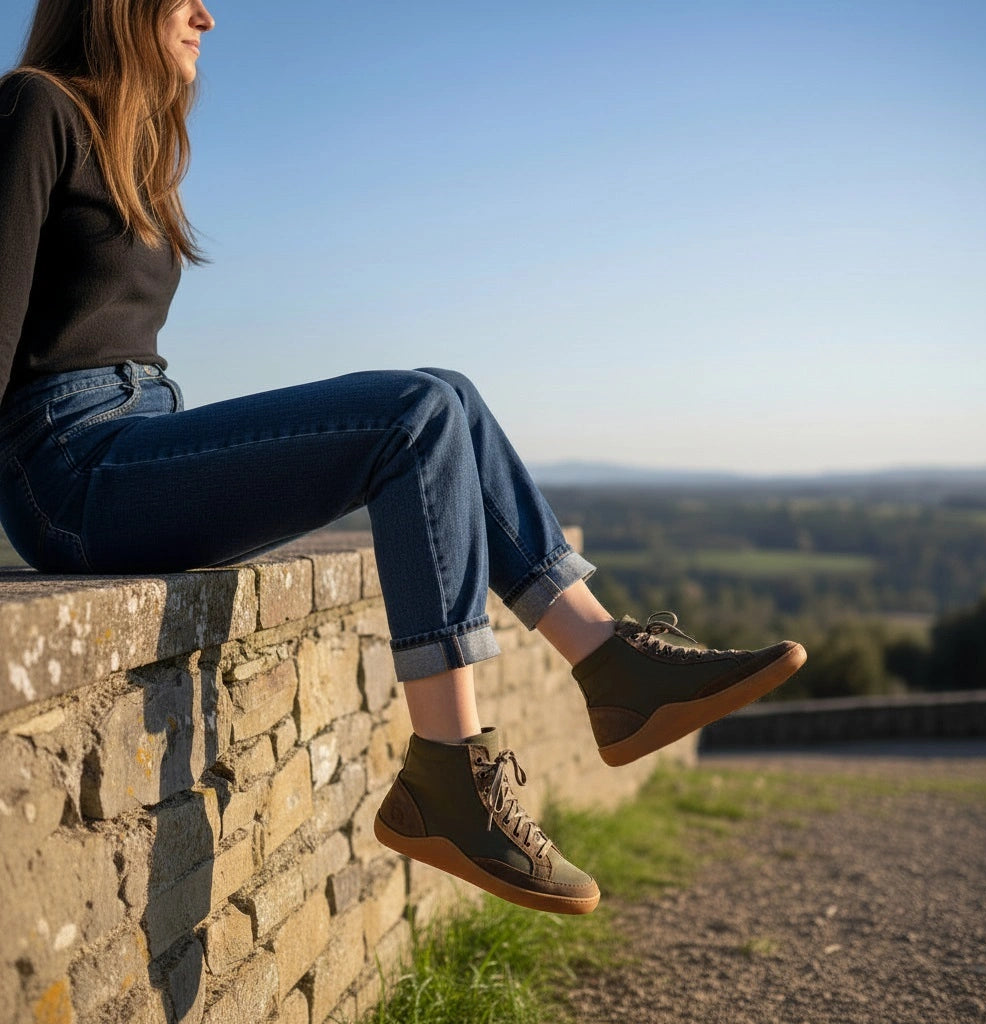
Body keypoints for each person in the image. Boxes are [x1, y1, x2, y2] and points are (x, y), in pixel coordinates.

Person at [0, 0, 806, 917]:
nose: (208, 16)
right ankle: (447, 775)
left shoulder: (130, 145)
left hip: (133, 430)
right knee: (413, 414)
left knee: (447, 391)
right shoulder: (34, 107)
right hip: (69, 471)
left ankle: (612, 666)